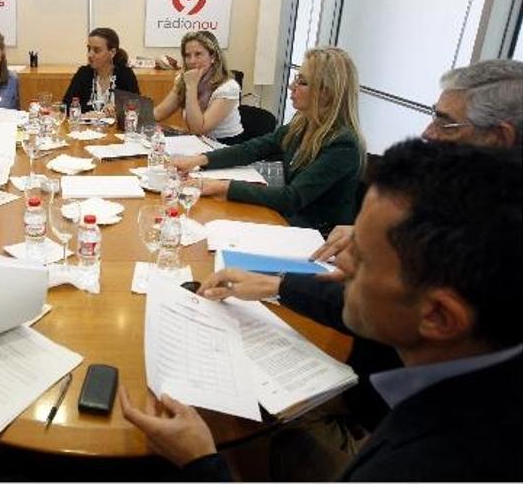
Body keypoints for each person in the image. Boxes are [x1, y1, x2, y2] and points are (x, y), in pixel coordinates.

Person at [122, 139, 523, 481]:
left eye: (361, 261)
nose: (337, 267)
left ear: (438, 316)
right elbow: (356, 299)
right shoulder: (476, 337)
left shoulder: (428, 464)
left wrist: (202, 463)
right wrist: (277, 285)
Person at [313, 58, 523, 263]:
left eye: (445, 124)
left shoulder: (502, 238)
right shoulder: (455, 186)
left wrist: (287, 285)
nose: (427, 133)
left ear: (499, 138)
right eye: (434, 117)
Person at [173, 47, 365, 234]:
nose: (292, 86)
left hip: (314, 234)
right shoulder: (302, 124)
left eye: (302, 82)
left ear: (326, 93)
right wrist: (198, 160)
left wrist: (221, 186)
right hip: (286, 217)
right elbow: (253, 149)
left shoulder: (343, 144)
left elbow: (292, 197)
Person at [153, 31, 243, 144]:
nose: (192, 61)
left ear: (213, 57)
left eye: (198, 54)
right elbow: (159, 113)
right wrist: (131, 113)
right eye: (187, 55)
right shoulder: (184, 78)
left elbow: (198, 129)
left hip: (224, 146)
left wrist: (191, 87)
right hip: (198, 143)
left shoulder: (228, 88)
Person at [62, 27, 139, 115]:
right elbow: (66, 106)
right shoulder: (83, 73)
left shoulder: (125, 74)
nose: (90, 54)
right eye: (89, 49)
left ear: (112, 52)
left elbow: (136, 108)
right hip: (86, 128)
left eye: (96, 50)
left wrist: (117, 110)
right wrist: (92, 112)